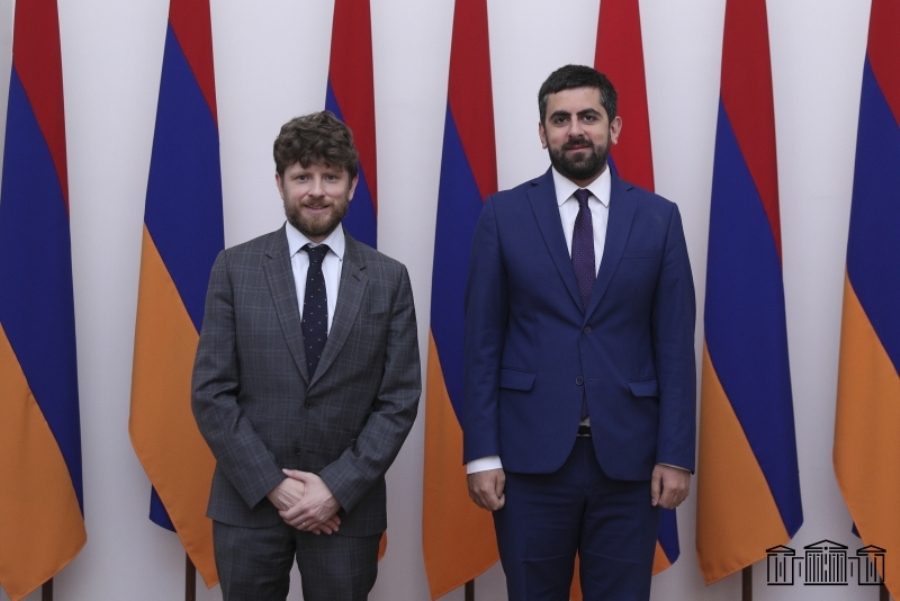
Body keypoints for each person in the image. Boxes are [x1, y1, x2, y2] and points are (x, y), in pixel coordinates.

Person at [463, 65, 696, 600]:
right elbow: (481, 344)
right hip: (528, 463)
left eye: (588, 117)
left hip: (630, 462)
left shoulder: (659, 218)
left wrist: (675, 453)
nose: (575, 130)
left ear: (614, 127)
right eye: (560, 119)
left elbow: (673, 347)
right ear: (542, 132)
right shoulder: (502, 214)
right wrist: (481, 454)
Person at [192, 110, 421, 601]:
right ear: (280, 183)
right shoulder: (234, 268)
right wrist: (275, 485)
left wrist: (334, 488)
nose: (317, 191)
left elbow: (398, 400)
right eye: (302, 177)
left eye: (331, 177)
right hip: (249, 504)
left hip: (345, 511)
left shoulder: (389, 279)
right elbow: (211, 393)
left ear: (352, 185)